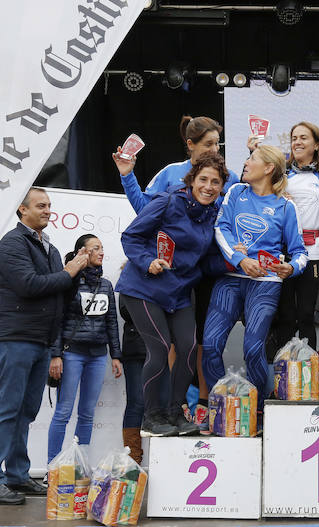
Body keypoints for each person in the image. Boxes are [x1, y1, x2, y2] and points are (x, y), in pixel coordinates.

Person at [113, 115, 240, 431]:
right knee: (158, 351)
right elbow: (131, 236)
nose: (209, 187)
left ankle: (174, 411)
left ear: (223, 187)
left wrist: (237, 262)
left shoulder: (214, 215)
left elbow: (206, 260)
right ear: (192, 179)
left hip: (180, 291)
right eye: (203, 180)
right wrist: (147, 261)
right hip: (144, 286)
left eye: (215, 183)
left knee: (187, 350)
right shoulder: (169, 200)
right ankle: (152, 416)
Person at [0, 188, 89, 505]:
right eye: (40, 205)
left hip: (41, 342)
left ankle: (16, 475)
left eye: (49, 205)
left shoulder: (51, 249)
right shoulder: (12, 243)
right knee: (5, 410)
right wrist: (69, 273)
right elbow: (29, 286)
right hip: (15, 339)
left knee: (25, 411)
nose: (47, 210)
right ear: (21, 210)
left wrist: (78, 275)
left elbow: (57, 297)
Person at [204, 145, 308, 412]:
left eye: (252, 158)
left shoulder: (286, 206)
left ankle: (258, 411)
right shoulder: (236, 192)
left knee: (253, 349)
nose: (246, 163)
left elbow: (300, 253)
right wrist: (241, 260)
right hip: (230, 277)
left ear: (268, 168)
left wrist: (291, 269)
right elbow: (220, 227)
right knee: (211, 345)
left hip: (265, 283)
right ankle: (220, 408)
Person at [47, 235, 123, 462]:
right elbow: (57, 319)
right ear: (83, 252)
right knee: (62, 413)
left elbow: (111, 322)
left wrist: (116, 356)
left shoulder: (106, 285)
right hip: (72, 354)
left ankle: (80, 465)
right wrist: (56, 354)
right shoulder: (68, 282)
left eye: (102, 248)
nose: (101, 252)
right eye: (95, 248)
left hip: (98, 356)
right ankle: (53, 466)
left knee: (87, 414)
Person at [267, 122, 319, 359]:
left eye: (304, 137)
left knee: (305, 315)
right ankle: (282, 379)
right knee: (284, 315)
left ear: (316, 144)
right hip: (284, 251)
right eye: (294, 138)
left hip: (312, 252)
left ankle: (308, 378)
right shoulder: (281, 173)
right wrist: (278, 196)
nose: (298, 142)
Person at [118, 293, 146, 463]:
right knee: (136, 403)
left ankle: (161, 460)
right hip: (136, 348)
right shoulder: (129, 275)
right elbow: (126, 310)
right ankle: (133, 459)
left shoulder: (169, 274)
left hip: (166, 348)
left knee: (163, 404)